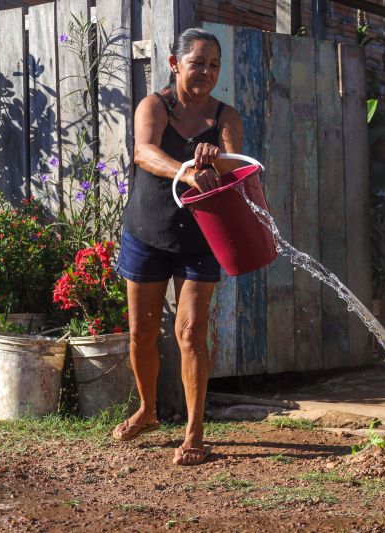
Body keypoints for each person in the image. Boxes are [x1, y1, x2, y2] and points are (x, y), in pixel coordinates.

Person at [112, 27, 243, 466]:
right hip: (147, 231)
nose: (206, 71)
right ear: (174, 64)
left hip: (201, 237)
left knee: (190, 332)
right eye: (197, 63)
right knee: (142, 332)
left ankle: (194, 431)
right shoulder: (155, 106)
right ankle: (147, 409)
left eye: (214, 65)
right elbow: (144, 152)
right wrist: (186, 170)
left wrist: (215, 159)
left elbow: (236, 167)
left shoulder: (225, 116)